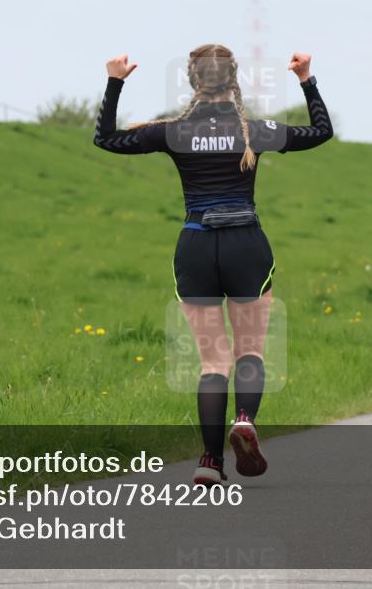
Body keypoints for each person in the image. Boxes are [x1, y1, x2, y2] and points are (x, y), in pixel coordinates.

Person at [93, 44, 333, 485]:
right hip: (246, 246)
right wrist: (306, 79)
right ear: (234, 79)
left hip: (197, 246)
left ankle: (209, 461)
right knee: (249, 353)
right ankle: (244, 419)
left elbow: (106, 139)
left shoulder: (172, 132)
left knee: (212, 364)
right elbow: (320, 132)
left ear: (193, 80)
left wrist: (115, 80)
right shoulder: (255, 131)